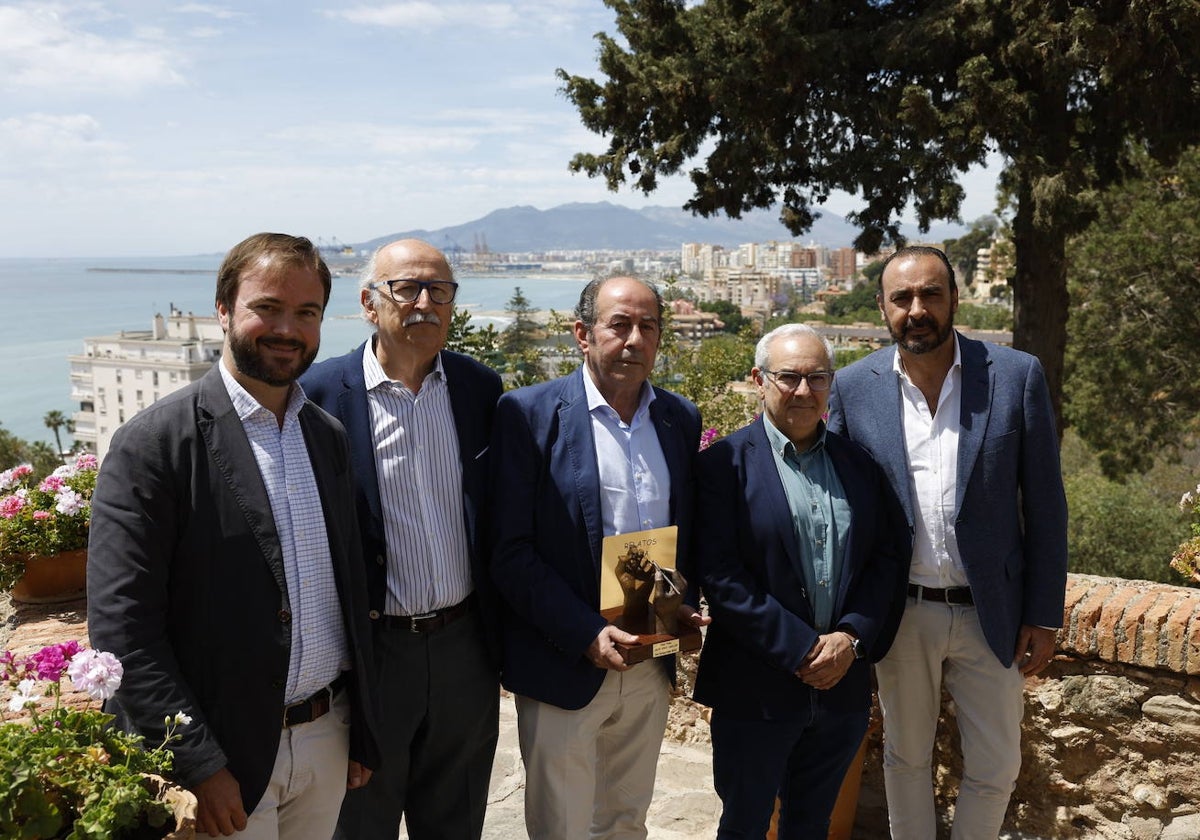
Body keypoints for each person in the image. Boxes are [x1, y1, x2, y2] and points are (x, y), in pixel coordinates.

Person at [87, 233, 381, 839]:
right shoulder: (154, 446)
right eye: (267, 307)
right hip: (224, 754)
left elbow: (347, 593)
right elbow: (123, 629)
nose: (287, 329)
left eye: (307, 313)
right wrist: (199, 761)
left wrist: (361, 728)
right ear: (223, 309)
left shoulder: (324, 436)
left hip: (327, 737)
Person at [827, 245, 1068, 839]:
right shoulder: (854, 389)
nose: (917, 309)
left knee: (996, 763)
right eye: (902, 298)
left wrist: (1043, 613)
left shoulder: (1015, 375)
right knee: (906, 760)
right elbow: (835, 507)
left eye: (931, 294)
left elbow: (1045, 505)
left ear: (954, 299)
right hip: (900, 612)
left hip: (994, 613)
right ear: (882, 307)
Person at [490, 275, 710, 840]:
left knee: (625, 822)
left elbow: (672, 536)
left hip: (647, 658)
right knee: (561, 827)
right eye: (620, 325)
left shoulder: (679, 418)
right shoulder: (528, 414)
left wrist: (677, 608)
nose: (634, 339)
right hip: (565, 660)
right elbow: (510, 552)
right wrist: (585, 632)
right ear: (582, 335)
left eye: (648, 326)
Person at [301, 238, 502, 839]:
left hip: (466, 647)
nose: (424, 303)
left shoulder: (478, 389)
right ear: (369, 302)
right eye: (406, 288)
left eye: (439, 290)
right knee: (362, 819)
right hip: (373, 652)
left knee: (458, 816)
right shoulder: (319, 396)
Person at [692, 323, 908, 839]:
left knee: (812, 826)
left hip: (841, 691)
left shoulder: (859, 466)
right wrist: (804, 651)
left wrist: (851, 639)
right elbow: (720, 577)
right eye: (789, 377)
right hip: (756, 690)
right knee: (744, 824)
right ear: (759, 380)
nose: (804, 391)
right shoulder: (722, 466)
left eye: (818, 378)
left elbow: (887, 559)